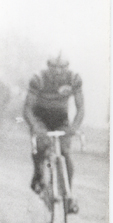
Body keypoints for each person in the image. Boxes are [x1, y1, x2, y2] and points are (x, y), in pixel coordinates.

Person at [23, 53, 84, 213]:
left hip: (60, 120)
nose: (57, 71)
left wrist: (74, 127)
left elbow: (80, 108)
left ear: (67, 68)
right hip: (40, 117)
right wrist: (35, 126)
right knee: (41, 146)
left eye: (62, 68)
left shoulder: (74, 79)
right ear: (47, 66)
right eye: (53, 68)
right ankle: (38, 174)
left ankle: (68, 196)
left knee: (65, 153)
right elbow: (27, 109)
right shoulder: (38, 78)